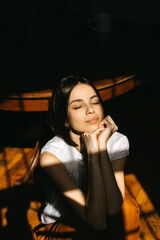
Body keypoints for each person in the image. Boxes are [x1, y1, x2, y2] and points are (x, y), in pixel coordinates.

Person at [35, 75, 130, 240]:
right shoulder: (52, 156)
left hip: (101, 211)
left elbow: (114, 208)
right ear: (65, 119)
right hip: (62, 221)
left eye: (95, 102)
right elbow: (97, 222)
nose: (91, 110)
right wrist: (93, 156)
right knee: (91, 233)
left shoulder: (117, 141)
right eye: (78, 106)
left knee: (128, 211)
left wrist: (100, 148)